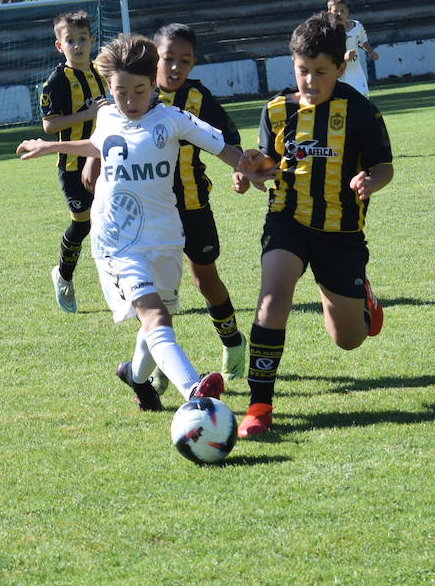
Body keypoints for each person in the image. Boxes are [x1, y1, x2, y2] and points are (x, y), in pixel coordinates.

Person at [16, 33, 256, 411]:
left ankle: (136, 375)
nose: (128, 101)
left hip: (164, 236)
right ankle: (194, 393)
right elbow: (100, 143)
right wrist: (53, 146)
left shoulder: (174, 119)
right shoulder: (108, 114)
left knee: (159, 320)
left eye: (138, 91)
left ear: (152, 84)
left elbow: (224, 148)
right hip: (116, 239)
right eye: (120, 92)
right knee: (156, 315)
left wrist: (248, 168)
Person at [231, 12, 394, 439]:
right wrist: (250, 169)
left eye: (321, 72)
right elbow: (269, 163)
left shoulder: (361, 112)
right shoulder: (277, 110)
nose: (310, 80)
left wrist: (369, 180)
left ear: (341, 67)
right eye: (302, 70)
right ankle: (259, 406)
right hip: (287, 219)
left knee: (348, 340)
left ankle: (363, 298)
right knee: (272, 298)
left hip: (340, 232)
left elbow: (384, 167)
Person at [147, 22, 248, 385]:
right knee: (160, 289)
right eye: (168, 58)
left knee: (204, 278)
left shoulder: (199, 97)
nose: (175, 67)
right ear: (154, 57)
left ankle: (233, 340)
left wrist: (241, 171)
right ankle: (160, 363)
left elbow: (229, 140)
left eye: (184, 61)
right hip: (152, 211)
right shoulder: (137, 93)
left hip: (193, 205)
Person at [40, 10, 107, 314]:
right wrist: (86, 115)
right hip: (72, 165)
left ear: (91, 41)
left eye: (82, 39)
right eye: (71, 41)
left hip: (107, 159)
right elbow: (49, 126)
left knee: (110, 219)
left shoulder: (100, 72)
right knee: (82, 224)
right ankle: (63, 275)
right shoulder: (56, 81)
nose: (77, 45)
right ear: (59, 45)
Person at [326, 0, 379, 96]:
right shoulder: (328, 32)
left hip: (356, 74)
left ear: (347, 11)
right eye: (336, 11)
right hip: (339, 76)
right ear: (329, 13)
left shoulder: (356, 26)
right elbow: (327, 54)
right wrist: (343, 57)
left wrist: (371, 52)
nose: (339, 14)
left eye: (342, 11)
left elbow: (363, 41)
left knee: (363, 101)